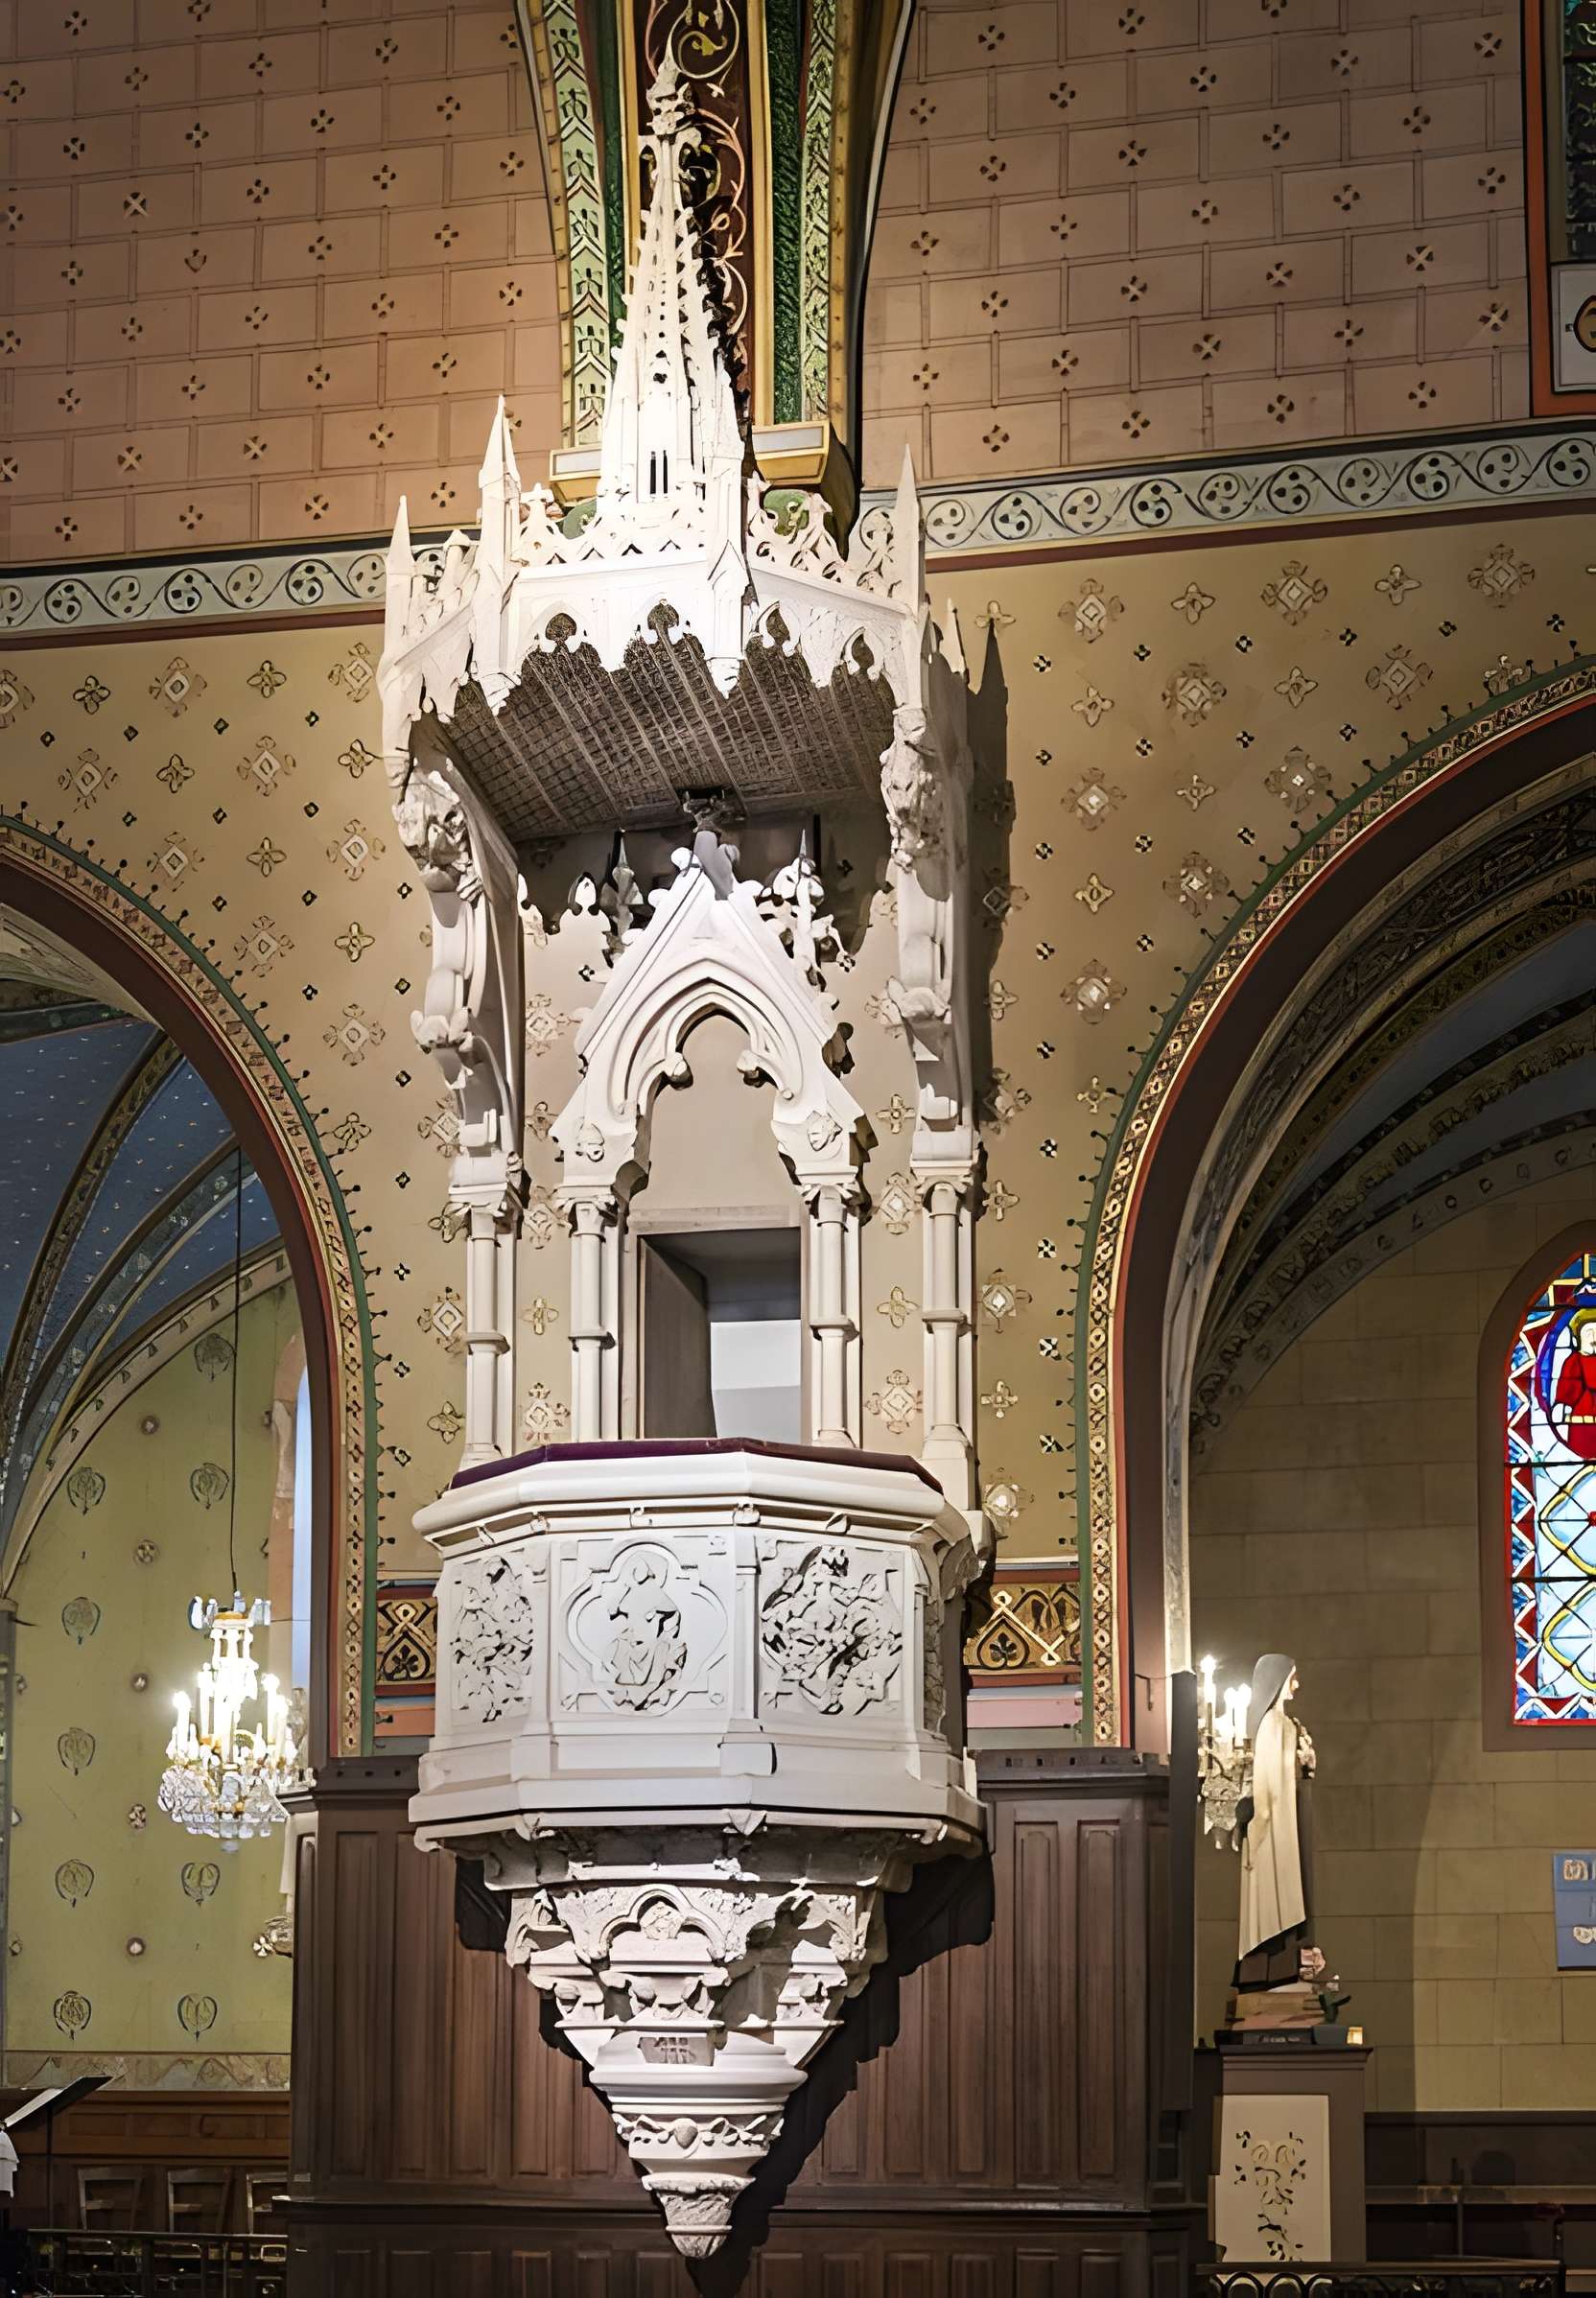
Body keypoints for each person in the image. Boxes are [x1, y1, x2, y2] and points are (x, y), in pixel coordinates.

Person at [1234, 1653, 1316, 1990]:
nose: (1296, 1685)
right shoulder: (1272, 1724)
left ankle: (1281, 1966)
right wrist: (1258, 1825)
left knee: (1283, 1897)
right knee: (1274, 1899)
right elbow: (1266, 1782)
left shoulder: (1284, 1725)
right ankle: (1270, 1970)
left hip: (1283, 1825)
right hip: (1274, 1828)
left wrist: (1308, 1763)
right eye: (1293, 1677)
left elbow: (1286, 1776)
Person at [1551, 1314, 1596, 1461]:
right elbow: (1567, 1390)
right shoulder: (1574, 1361)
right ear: (1577, 1340)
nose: (1594, 1338)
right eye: (1588, 1333)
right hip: (1583, 1417)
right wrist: (1563, 1408)